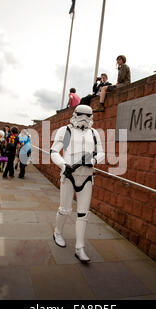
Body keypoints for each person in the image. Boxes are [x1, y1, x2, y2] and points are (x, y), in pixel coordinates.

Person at [50, 105, 105, 262]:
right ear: (75, 115)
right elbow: (55, 151)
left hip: (87, 176)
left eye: (88, 116)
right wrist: (63, 165)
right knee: (65, 209)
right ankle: (57, 232)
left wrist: (93, 160)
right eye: (81, 115)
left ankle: (80, 247)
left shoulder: (94, 133)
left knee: (83, 213)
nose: (84, 119)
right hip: (69, 175)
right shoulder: (66, 131)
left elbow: (101, 152)